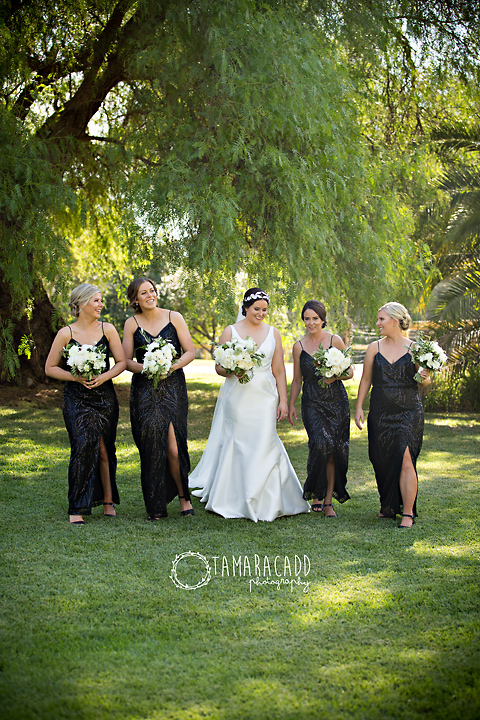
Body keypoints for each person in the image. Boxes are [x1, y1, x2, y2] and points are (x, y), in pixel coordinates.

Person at [189, 288, 310, 522]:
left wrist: (283, 401)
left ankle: (268, 498)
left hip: (265, 396)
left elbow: (278, 370)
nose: (261, 313)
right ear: (245, 307)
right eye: (257, 309)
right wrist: (232, 368)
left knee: (265, 440)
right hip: (238, 396)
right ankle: (234, 497)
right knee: (238, 441)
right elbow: (218, 368)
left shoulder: (273, 333)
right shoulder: (230, 331)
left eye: (265, 310)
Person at [45, 283, 126, 524]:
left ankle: (108, 501)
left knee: (105, 450)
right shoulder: (65, 333)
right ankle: (76, 507)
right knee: (81, 447)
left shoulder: (108, 329)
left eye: (101, 300)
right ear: (82, 304)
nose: (101, 304)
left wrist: (104, 377)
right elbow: (50, 368)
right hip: (76, 399)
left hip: (104, 398)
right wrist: (75, 377)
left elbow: (121, 362)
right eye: (96, 301)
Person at [123, 277, 195, 520]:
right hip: (144, 391)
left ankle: (184, 497)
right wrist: (148, 368)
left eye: (152, 290)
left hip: (173, 388)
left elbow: (190, 352)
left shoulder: (174, 317)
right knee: (151, 447)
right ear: (135, 299)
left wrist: (170, 366)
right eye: (143, 293)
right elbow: (126, 361)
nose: (150, 295)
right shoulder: (131, 324)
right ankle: (155, 506)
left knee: (174, 448)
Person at [355, 302, 430, 529]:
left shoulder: (415, 349)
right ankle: (388, 504)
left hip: (409, 412)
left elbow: (424, 382)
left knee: (405, 458)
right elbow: (366, 379)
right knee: (382, 459)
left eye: (382, 319)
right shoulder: (374, 348)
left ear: (395, 321)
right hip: (380, 412)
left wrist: (425, 375)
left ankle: (407, 512)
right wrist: (359, 407)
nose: (378, 323)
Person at [288, 301, 353, 517]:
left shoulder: (335, 341)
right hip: (312, 403)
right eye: (307, 318)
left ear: (323, 319)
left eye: (315, 318)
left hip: (337, 402)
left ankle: (327, 501)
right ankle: (317, 490)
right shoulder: (299, 346)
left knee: (334, 451)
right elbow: (297, 380)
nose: (311, 322)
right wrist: (291, 404)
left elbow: (350, 371)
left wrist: (335, 375)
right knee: (320, 444)